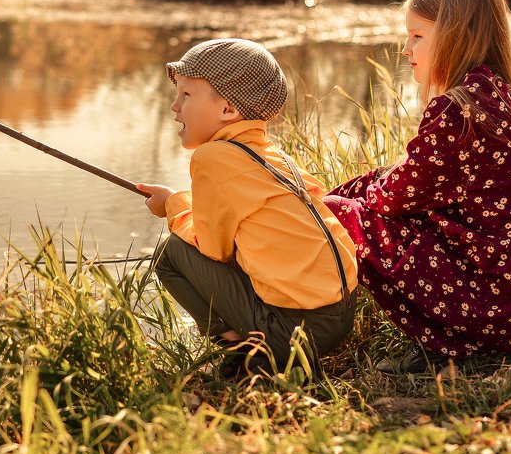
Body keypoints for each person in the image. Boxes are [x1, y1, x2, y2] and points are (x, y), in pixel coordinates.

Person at [324, 0, 511, 374]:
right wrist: (363, 184)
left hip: (500, 308)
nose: (406, 49)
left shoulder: (458, 109)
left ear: (458, 36)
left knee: (334, 214)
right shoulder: (496, 95)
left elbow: (393, 197)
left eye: (418, 36)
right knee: (363, 196)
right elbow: (413, 181)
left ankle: (304, 327)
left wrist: (335, 198)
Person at [138, 38, 358, 379]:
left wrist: (173, 206)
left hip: (296, 333)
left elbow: (212, 249)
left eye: (186, 94)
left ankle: (250, 356)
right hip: (339, 316)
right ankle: (263, 350)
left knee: (170, 254)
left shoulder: (212, 158)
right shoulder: (270, 154)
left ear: (228, 109)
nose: (174, 106)